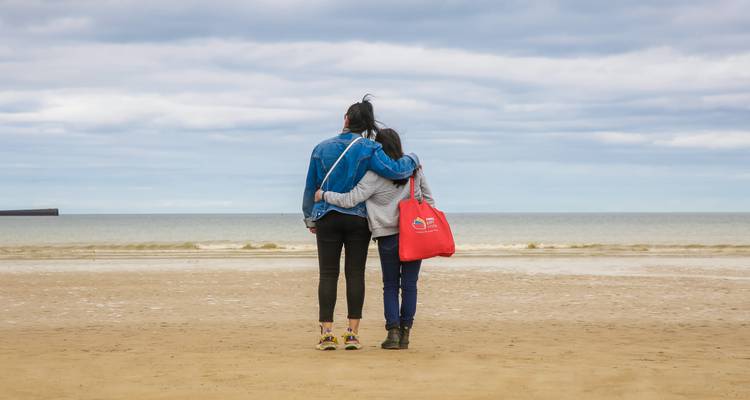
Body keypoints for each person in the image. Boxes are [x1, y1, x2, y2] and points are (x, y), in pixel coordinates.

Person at [302, 96, 419, 351]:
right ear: (366, 124)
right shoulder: (370, 148)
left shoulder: (320, 148)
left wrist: (310, 216)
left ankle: (326, 334)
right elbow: (395, 171)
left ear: (346, 119)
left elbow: (311, 186)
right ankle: (352, 335)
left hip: (326, 216)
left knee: (328, 274)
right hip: (357, 218)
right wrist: (413, 159)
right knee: (355, 274)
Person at [315, 128, 434, 350]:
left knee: (390, 285)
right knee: (410, 285)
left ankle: (393, 333)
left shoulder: (374, 175)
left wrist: (324, 195)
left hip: (388, 236)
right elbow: (428, 200)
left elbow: (351, 199)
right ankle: (406, 332)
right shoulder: (414, 171)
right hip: (414, 235)